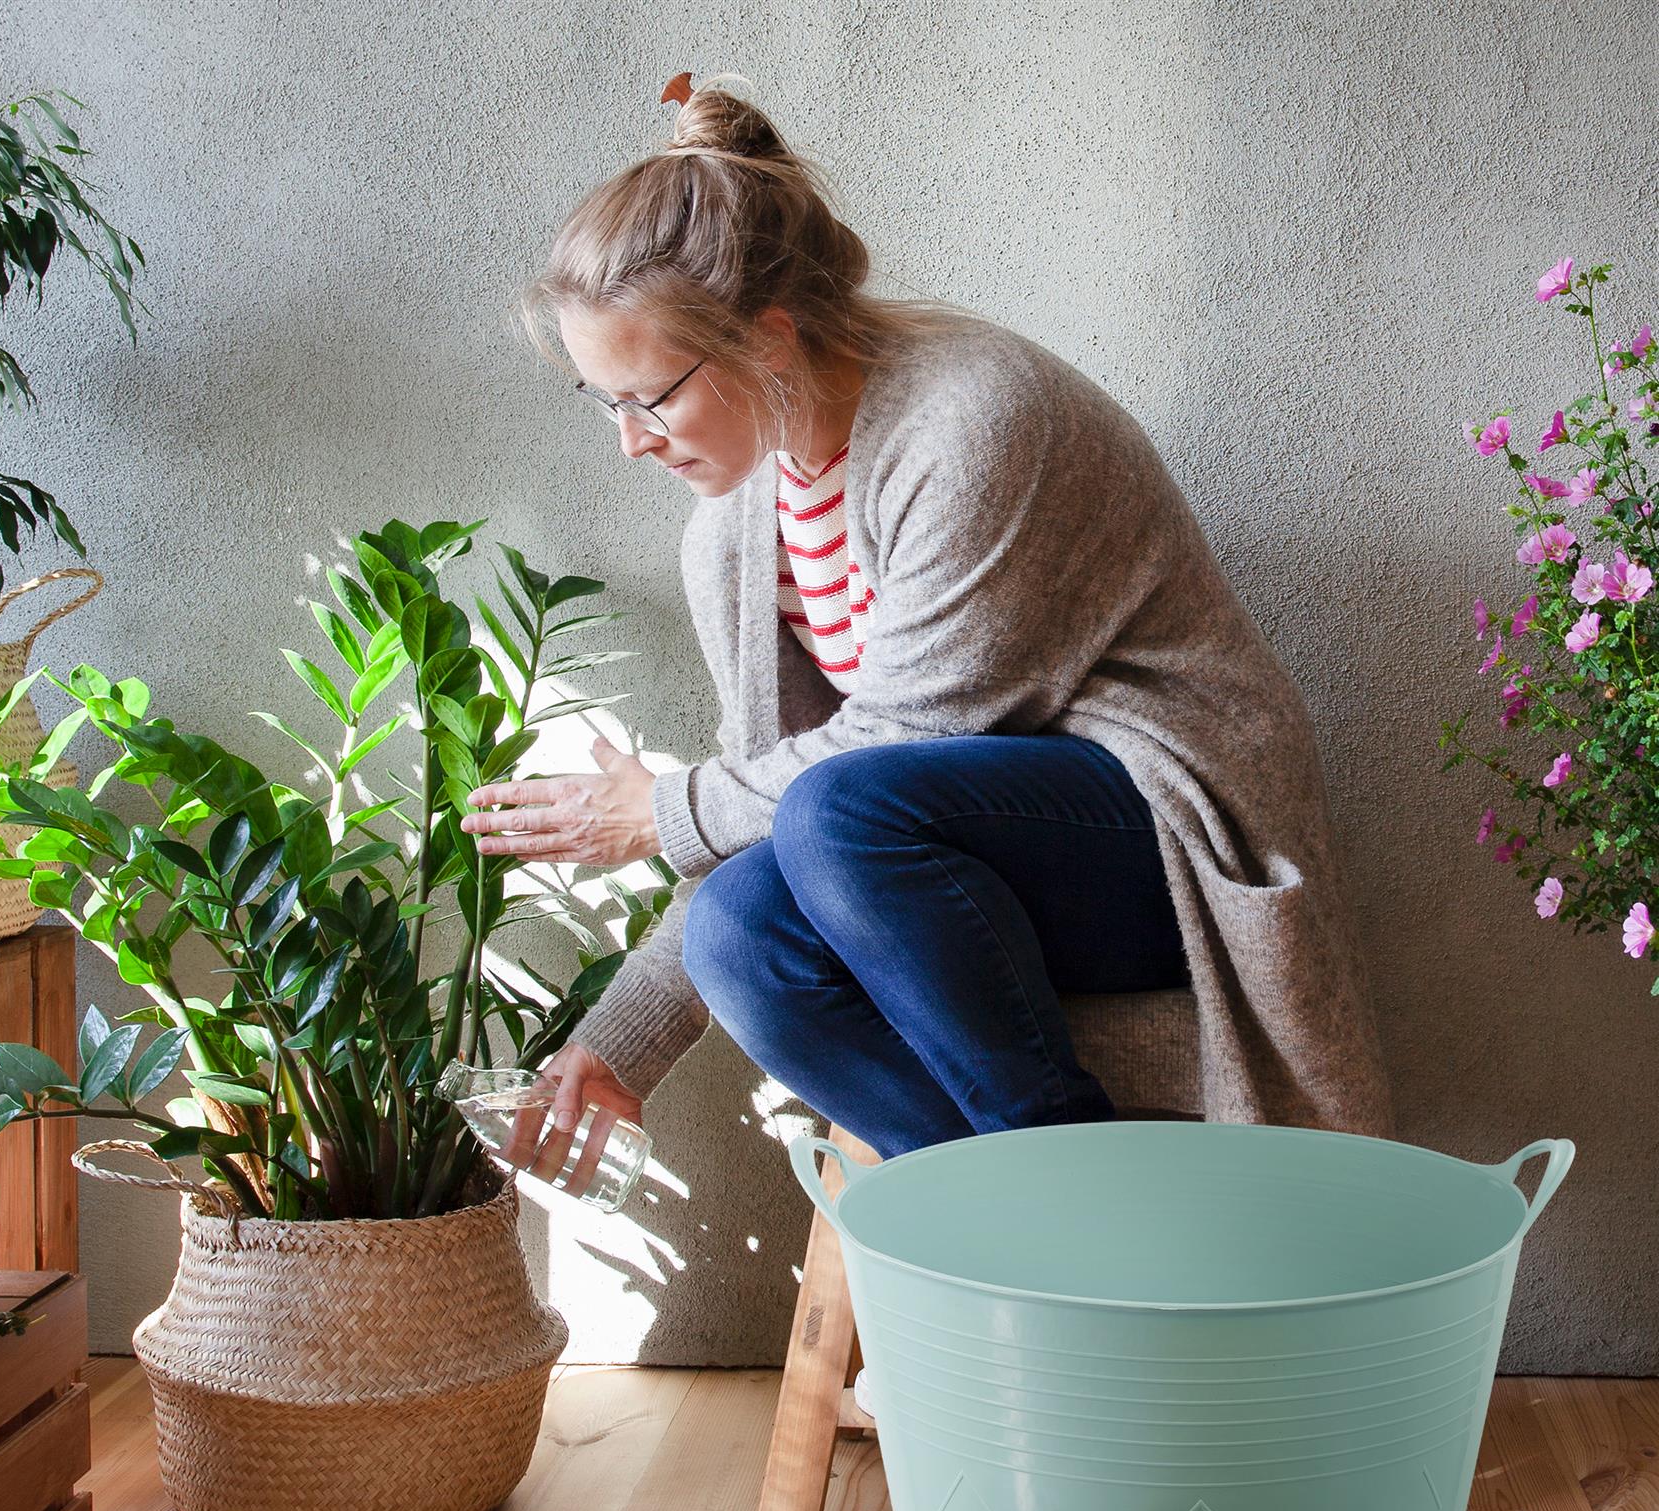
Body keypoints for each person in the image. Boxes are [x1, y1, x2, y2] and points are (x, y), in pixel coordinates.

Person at [461, 73, 1394, 1184]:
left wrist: (660, 810)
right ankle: (1005, 1215)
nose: (632, 441)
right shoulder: (733, 528)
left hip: (1168, 838)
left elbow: (899, 749)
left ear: (766, 340)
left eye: (649, 397)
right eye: (604, 401)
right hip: (933, 863)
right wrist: (621, 1046)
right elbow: (761, 807)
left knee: (841, 816)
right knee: (741, 932)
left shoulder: (975, 424)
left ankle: (1063, 1194)